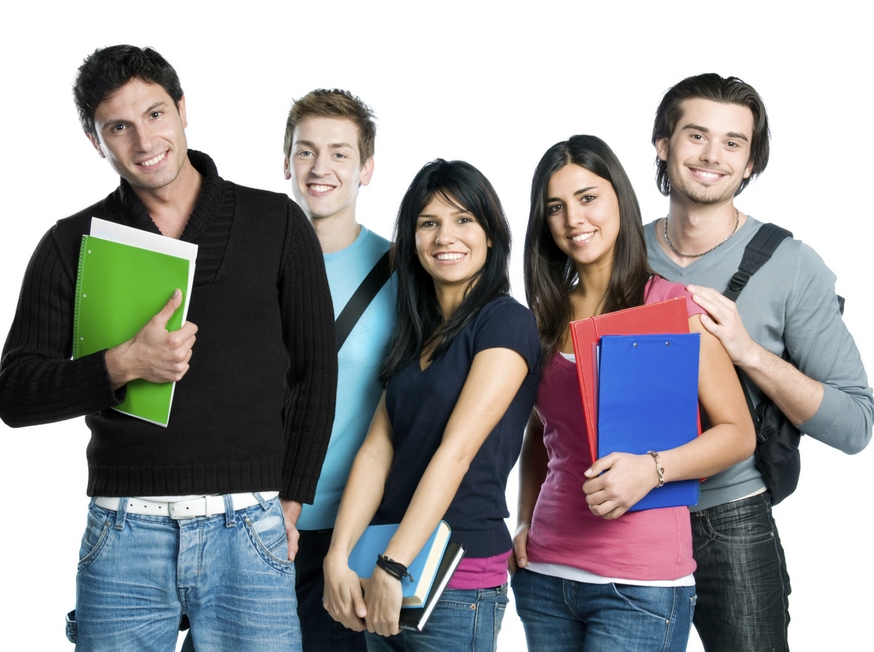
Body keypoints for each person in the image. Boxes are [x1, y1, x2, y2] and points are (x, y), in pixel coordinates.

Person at [0, 45, 336, 651]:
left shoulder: (277, 222)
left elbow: (315, 374)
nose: (142, 139)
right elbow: (15, 394)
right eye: (117, 127)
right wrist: (121, 365)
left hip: (249, 527)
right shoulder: (72, 243)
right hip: (124, 530)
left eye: (154, 114)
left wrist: (290, 499)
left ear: (182, 110)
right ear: (96, 140)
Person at [646, 73, 874, 651]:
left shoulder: (791, 265)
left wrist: (748, 353)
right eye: (696, 135)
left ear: (751, 164)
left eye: (733, 143)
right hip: (627, 513)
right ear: (662, 145)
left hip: (730, 517)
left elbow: (855, 424)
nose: (711, 156)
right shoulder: (617, 246)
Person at [510, 135, 755, 651]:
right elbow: (541, 431)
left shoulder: (674, 307)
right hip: (546, 574)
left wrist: (652, 469)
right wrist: (526, 519)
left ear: (619, 197)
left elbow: (737, 435)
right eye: (555, 207)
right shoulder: (543, 320)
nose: (573, 218)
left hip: (640, 585)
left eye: (587, 197)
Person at [322, 159, 541, 651]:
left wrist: (394, 563)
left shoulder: (505, 323)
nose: (446, 236)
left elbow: (456, 452)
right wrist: (339, 555)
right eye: (429, 223)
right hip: (379, 568)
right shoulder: (413, 335)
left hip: (453, 578)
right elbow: (375, 453)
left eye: (464, 219)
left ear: (491, 234)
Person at [284, 89, 396, 652]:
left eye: (339, 153)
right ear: (287, 163)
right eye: (305, 152)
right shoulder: (257, 262)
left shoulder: (404, 272)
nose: (320, 168)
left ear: (366, 167)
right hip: (253, 524)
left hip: (349, 532)